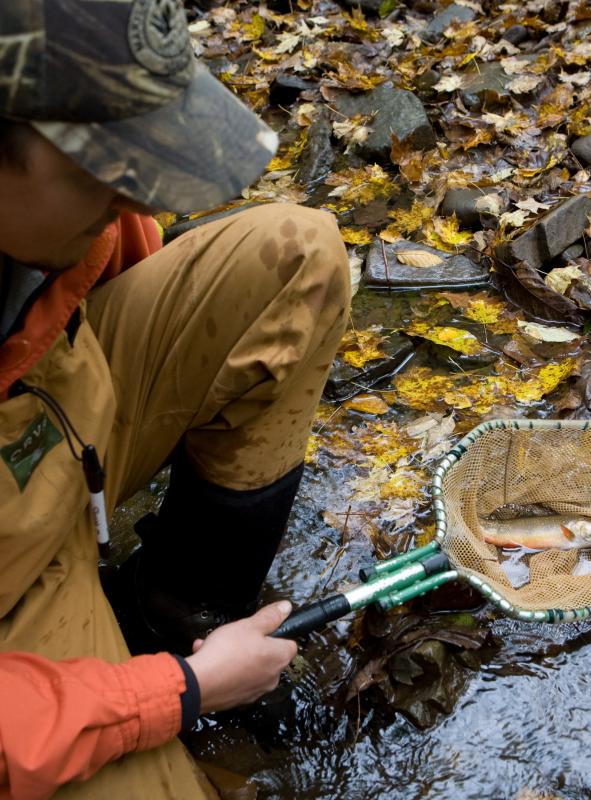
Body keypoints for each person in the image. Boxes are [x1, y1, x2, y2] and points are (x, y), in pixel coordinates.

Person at [0, 1, 349, 798]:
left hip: (58, 422)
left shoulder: (50, 217)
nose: (133, 194)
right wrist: (175, 694)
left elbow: (115, 265)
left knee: (295, 258)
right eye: (107, 166)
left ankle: (181, 610)